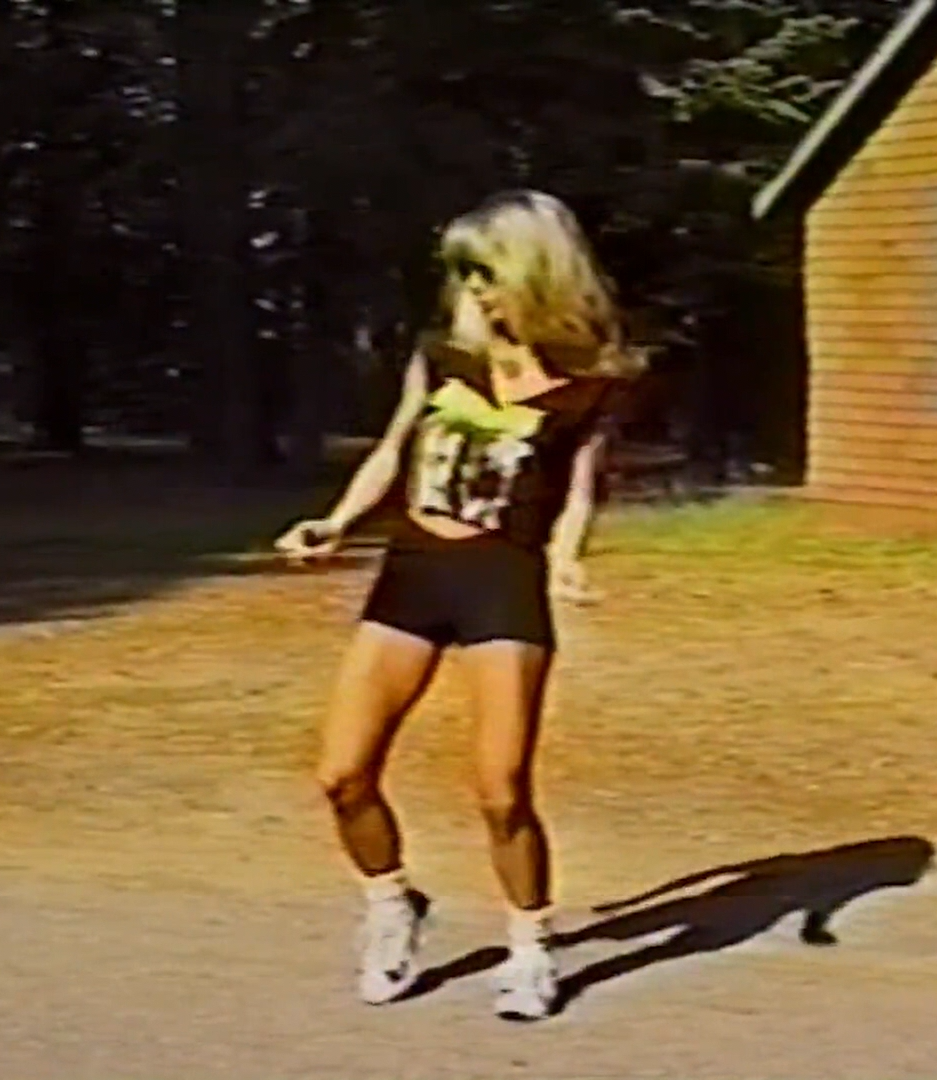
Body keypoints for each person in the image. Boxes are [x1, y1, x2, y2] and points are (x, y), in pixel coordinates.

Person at [274, 190, 646, 1021]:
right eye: (465, 275)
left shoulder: (593, 384)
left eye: (487, 274)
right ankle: (391, 902)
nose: (474, 291)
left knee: (501, 790)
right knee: (342, 774)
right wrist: (335, 523)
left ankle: (530, 949)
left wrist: (567, 562)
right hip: (411, 572)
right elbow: (393, 449)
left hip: (502, 580)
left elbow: (580, 491)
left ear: (535, 272)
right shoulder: (442, 356)